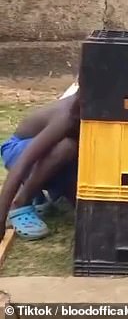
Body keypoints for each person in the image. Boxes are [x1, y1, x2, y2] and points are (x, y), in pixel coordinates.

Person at [0, 92, 80, 242]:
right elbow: (23, 163)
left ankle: (40, 192)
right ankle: (20, 203)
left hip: (53, 155)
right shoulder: (67, 116)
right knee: (68, 147)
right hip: (18, 150)